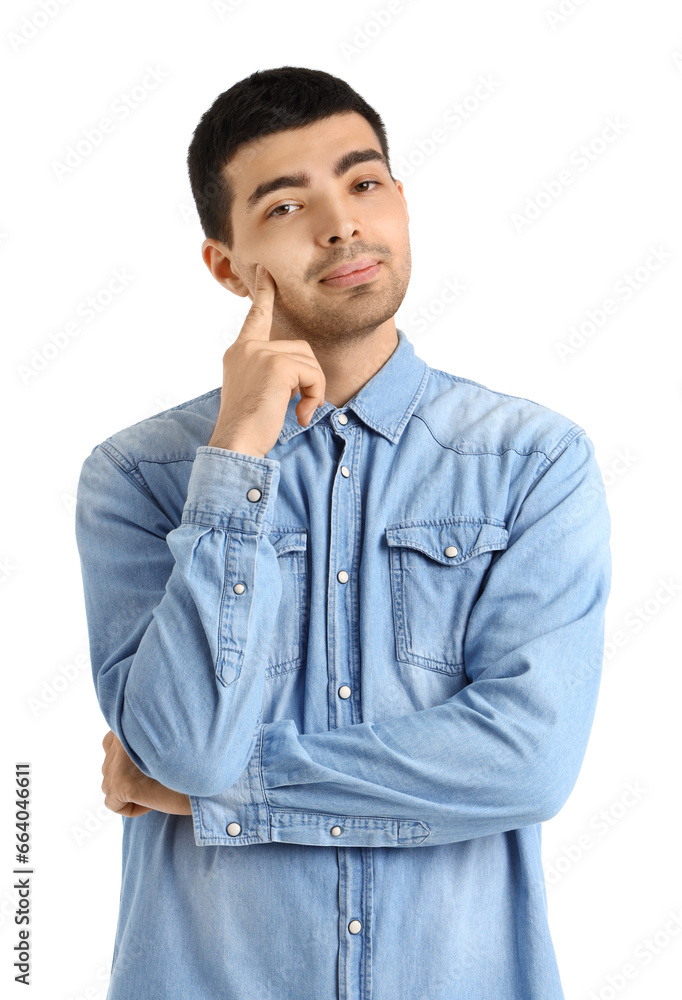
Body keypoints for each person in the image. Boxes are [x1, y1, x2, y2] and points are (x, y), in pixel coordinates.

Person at [75, 65, 612, 1000]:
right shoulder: (140, 478)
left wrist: (224, 798)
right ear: (224, 263)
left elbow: (527, 762)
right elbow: (188, 746)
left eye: (364, 185)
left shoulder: (532, 463)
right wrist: (239, 453)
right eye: (286, 206)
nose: (341, 225)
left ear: (401, 201)